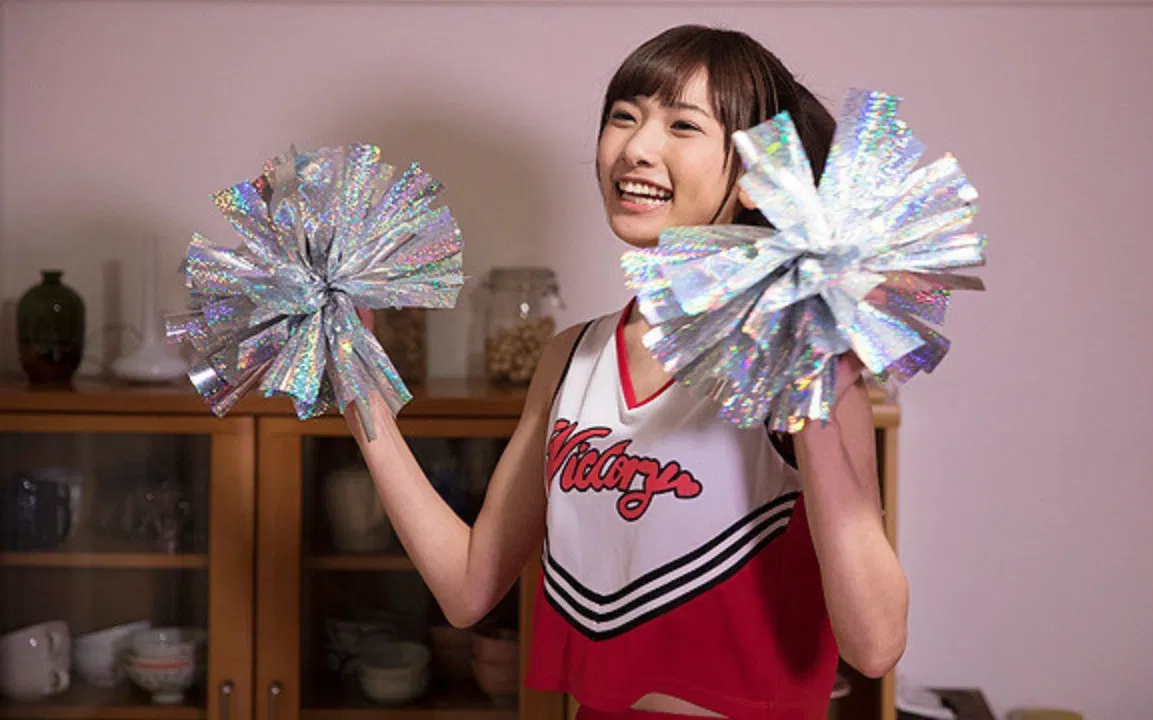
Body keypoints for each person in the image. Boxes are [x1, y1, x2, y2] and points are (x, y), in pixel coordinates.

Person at [347, 24, 908, 720]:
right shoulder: (571, 358)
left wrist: (805, 381)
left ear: (757, 176)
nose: (636, 147)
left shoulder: (807, 358)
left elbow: (875, 644)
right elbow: (467, 589)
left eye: (683, 125)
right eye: (623, 116)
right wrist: (362, 393)